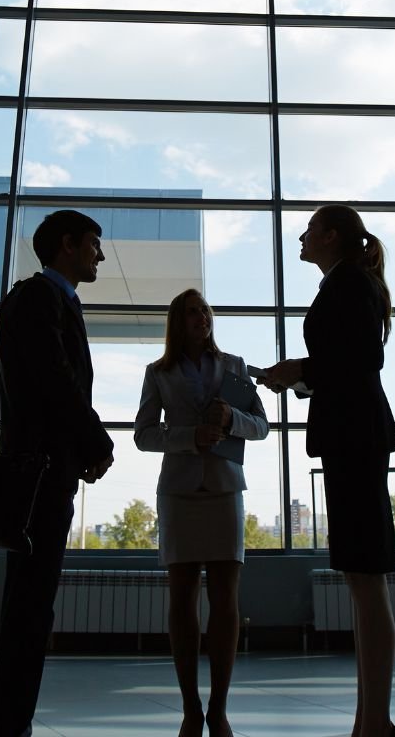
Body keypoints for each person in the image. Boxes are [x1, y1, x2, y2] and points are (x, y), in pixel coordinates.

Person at [259, 204, 395, 737]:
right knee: (362, 579)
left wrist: (301, 369)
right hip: (353, 435)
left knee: (366, 578)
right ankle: (370, 720)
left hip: (356, 437)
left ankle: (375, 722)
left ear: (332, 236)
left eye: (311, 228)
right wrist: (299, 377)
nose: (302, 235)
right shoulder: (345, 283)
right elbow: (348, 362)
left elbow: (364, 358)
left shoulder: (349, 285)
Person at [0, 209, 117, 737]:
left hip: (42, 467)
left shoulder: (44, 300)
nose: (100, 255)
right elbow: (56, 381)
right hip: (40, 473)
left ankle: (13, 722)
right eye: (93, 244)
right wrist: (96, 439)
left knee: (30, 600)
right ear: (68, 245)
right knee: (31, 602)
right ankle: (12, 725)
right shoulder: (42, 299)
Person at [134, 289, 270, 737]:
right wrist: (190, 437)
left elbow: (263, 425)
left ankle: (219, 708)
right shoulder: (158, 372)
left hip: (225, 489)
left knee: (226, 601)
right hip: (179, 492)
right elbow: (143, 435)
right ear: (177, 321)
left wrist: (231, 417)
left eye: (206, 311)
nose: (202, 318)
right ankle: (191, 707)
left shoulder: (235, 365)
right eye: (192, 312)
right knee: (181, 600)